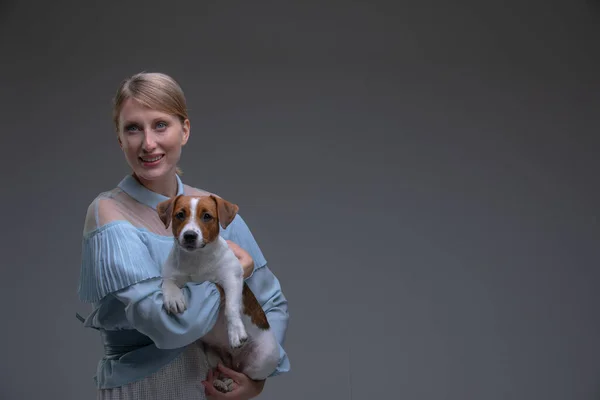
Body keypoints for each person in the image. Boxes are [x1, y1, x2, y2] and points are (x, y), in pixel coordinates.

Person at [76, 71, 290, 399]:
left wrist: (253, 377)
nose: (148, 143)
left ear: (185, 130)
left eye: (161, 124)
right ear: (120, 139)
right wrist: (231, 273)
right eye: (133, 128)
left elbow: (271, 301)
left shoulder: (211, 210)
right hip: (145, 389)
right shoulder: (109, 213)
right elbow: (169, 327)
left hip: (214, 386)